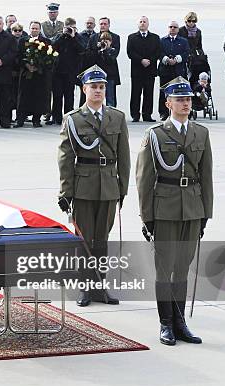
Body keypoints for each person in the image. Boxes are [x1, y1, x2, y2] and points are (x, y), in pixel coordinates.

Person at [136, 76, 213, 346]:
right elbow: (144, 179)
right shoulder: (155, 134)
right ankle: (165, 323)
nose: (185, 103)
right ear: (168, 102)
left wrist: (205, 213)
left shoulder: (201, 133)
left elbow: (206, 176)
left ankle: (181, 324)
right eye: (180, 99)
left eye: (189, 99)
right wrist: (147, 217)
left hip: (192, 208)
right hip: (165, 208)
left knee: (183, 268)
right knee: (164, 268)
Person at [57, 65, 130, 307]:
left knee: (102, 240)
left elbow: (124, 156)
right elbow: (65, 158)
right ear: (84, 89)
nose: (98, 91)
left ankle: (100, 287)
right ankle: (85, 288)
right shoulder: (73, 119)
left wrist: (122, 188)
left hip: (109, 185)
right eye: (93, 87)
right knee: (84, 240)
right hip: (84, 186)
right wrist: (66, 192)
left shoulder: (117, 117)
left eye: (101, 87)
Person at [15, 21, 50, 128]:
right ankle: (20, 119)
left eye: (36, 28)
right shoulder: (22, 40)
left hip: (39, 74)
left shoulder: (45, 41)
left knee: (38, 96)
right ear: (29, 29)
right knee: (23, 97)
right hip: (26, 73)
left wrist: (38, 66)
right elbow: (18, 56)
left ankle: (36, 120)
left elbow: (49, 58)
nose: (34, 30)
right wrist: (26, 65)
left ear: (40, 30)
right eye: (32, 28)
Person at [126, 16, 161, 122]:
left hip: (150, 70)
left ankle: (147, 115)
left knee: (149, 93)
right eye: (140, 22)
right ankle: (135, 115)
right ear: (138, 24)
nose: (142, 23)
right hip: (137, 70)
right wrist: (141, 60)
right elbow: (130, 52)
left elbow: (157, 52)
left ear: (148, 24)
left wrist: (149, 60)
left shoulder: (155, 37)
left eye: (144, 22)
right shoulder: (131, 37)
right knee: (135, 93)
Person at [50, 17, 84, 124]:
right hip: (58, 71)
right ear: (64, 27)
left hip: (71, 72)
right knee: (57, 95)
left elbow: (82, 50)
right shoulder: (59, 36)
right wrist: (63, 35)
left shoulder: (78, 37)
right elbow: (52, 47)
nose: (70, 30)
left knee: (69, 96)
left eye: (72, 28)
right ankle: (56, 118)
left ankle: (68, 117)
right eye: (68, 28)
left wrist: (73, 37)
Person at [158, 21, 189, 120]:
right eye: (170, 27)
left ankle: (177, 112)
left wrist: (177, 59)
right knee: (164, 92)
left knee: (178, 93)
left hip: (178, 71)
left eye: (175, 27)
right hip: (165, 71)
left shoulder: (183, 41)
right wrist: (166, 59)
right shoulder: (162, 40)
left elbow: (186, 53)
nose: (172, 28)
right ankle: (163, 113)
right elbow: (159, 53)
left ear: (178, 29)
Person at [179, 12, 208, 87]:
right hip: (183, 56)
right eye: (189, 21)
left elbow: (199, 46)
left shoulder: (198, 31)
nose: (191, 23)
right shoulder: (180, 30)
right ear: (186, 21)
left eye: (193, 21)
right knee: (184, 77)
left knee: (193, 76)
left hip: (193, 57)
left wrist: (202, 58)